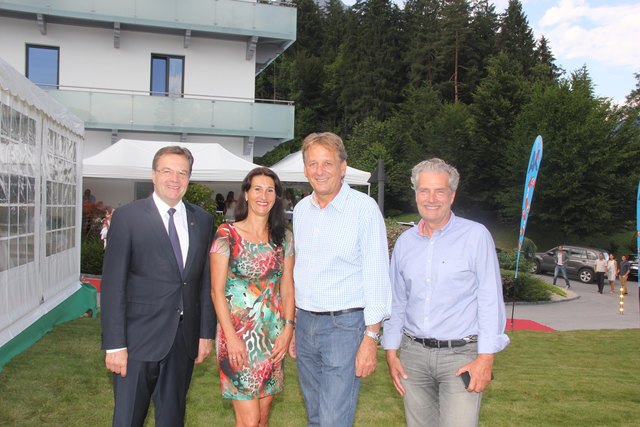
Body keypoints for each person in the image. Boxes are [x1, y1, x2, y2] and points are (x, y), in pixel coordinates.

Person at [382, 158, 510, 427]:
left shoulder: (476, 236)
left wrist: (486, 358)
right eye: (424, 190)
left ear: (452, 195)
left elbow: (490, 299)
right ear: (415, 194)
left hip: (462, 357)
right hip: (413, 357)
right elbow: (397, 300)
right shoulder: (405, 243)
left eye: (439, 191)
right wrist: (391, 352)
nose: (431, 198)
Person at [100, 146, 216, 427]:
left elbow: (204, 282)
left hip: (183, 342)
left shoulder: (202, 220)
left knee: (173, 419)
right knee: (128, 419)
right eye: (167, 171)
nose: (174, 178)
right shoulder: (127, 217)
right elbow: (113, 284)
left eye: (182, 172)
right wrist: (114, 344)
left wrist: (204, 334)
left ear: (189, 178)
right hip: (137, 341)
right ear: (154, 175)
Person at [291, 132, 391, 427]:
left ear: (343, 166)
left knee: (334, 420)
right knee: (316, 417)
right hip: (306, 324)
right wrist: (295, 323)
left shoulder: (364, 209)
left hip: (344, 328)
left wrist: (371, 338)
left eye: (327, 163)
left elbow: (377, 275)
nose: (319, 171)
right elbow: (302, 270)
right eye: (312, 164)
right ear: (306, 169)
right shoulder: (300, 210)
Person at [210, 167, 295, 427]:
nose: (263, 195)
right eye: (257, 188)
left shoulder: (285, 238)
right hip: (237, 337)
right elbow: (216, 291)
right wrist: (231, 338)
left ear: (277, 197)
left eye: (270, 190)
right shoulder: (226, 234)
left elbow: (288, 287)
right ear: (246, 194)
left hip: (272, 337)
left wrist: (288, 330)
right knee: (249, 421)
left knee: (263, 417)